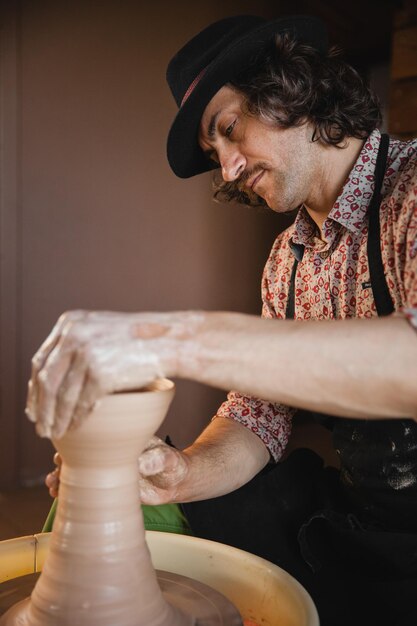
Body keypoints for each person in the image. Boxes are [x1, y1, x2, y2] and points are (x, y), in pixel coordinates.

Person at [27, 14, 417, 626]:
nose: (229, 167)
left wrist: (171, 338)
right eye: (217, 153)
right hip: (369, 519)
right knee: (150, 511)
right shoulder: (287, 263)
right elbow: (258, 416)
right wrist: (179, 474)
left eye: (229, 128)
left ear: (291, 86)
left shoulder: (411, 193)